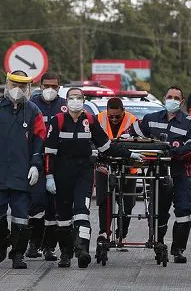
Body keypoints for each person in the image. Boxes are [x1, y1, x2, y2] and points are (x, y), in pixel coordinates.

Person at [44, 88, 142, 268]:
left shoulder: (90, 121)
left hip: (83, 174)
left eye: (79, 98)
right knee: (63, 219)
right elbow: (49, 152)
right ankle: (65, 254)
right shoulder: (57, 121)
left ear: (83, 100)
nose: (75, 101)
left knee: (82, 212)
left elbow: (106, 147)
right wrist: (49, 176)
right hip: (61, 175)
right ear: (66, 101)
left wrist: (130, 154)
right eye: (72, 98)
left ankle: (82, 251)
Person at [0, 70, 46, 269]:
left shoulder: (33, 111)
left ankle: (17, 255)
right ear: (7, 84)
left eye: (22, 86)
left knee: (21, 218)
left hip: (22, 175)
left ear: (28, 88)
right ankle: (3, 240)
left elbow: (40, 141)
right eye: (14, 85)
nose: (17, 90)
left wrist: (35, 166)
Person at [130, 86, 191, 263]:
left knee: (184, 209)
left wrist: (172, 154)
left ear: (182, 102)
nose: (173, 100)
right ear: (164, 98)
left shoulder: (189, 122)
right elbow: (132, 134)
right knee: (159, 211)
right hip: (158, 173)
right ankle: (158, 243)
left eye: (177, 98)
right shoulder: (151, 119)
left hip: (181, 173)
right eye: (170, 97)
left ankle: (178, 250)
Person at [26, 72, 66, 261]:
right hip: (36, 161)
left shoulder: (65, 106)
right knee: (36, 203)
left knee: (54, 208)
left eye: (54, 86)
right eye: (46, 85)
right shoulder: (31, 105)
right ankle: (33, 243)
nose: (50, 89)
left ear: (59, 87)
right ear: (40, 86)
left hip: (58, 163)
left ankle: (50, 246)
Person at [95, 97, 138, 246]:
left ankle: (122, 233)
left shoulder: (133, 121)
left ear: (123, 112)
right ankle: (104, 232)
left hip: (127, 167)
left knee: (127, 203)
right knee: (103, 200)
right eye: (110, 116)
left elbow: (139, 142)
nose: (113, 119)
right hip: (104, 166)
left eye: (117, 116)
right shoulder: (99, 119)